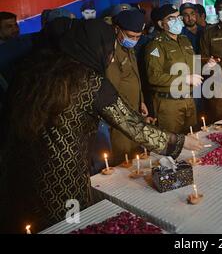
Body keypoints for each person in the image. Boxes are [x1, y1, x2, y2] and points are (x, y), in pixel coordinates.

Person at [0, 19, 203, 233]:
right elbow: (133, 126)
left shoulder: (33, 70)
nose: (112, 57)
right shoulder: (90, 81)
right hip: (62, 172)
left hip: (17, 167)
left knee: (30, 222)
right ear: (96, 47)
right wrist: (179, 141)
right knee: (70, 224)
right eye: (109, 50)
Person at [145, 4, 200, 134]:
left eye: (178, 17)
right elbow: (154, 77)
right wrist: (185, 79)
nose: (177, 21)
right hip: (169, 104)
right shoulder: (155, 45)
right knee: (172, 145)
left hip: (189, 100)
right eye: (171, 18)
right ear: (160, 23)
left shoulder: (185, 40)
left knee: (193, 139)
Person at [106, 9, 150, 166]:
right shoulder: (111, 52)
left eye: (138, 37)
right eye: (131, 36)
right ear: (117, 29)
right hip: (121, 118)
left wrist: (141, 100)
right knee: (124, 161)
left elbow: (134, 77)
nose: (135, 40)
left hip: (134, 112)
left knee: (137, 156)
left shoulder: (128, 48)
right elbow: (111, 90)